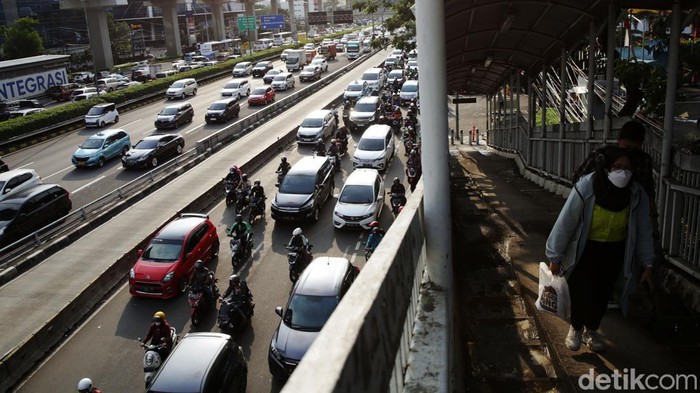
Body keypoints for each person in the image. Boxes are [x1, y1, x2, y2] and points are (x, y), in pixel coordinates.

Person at [546, 146, 655, 353]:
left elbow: (643, 230)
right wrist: (555, 255)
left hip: (614, 251)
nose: (623, 172)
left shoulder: (635, 193)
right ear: (606, 167)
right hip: (586, 249)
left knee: (602, 294)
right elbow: (566, 222)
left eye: (628, 168)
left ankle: (592, 330)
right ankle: (576, 328)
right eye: (617, 167)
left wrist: (648, 262)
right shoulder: (587, 186)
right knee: (581, 291)